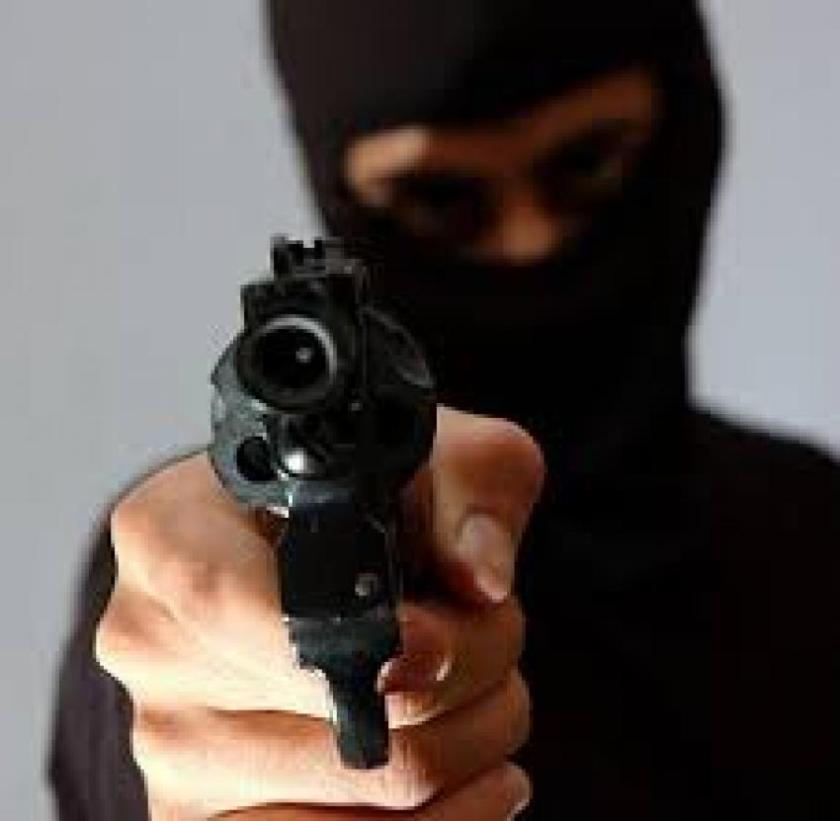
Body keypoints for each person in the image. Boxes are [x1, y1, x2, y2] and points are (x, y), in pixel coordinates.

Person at [48, 1, 840, 819]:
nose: (529, 249)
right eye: (439, 203)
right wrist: (194, 716)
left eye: (590, 166)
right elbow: (156, 688)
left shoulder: (812, 523)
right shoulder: (224, 554)